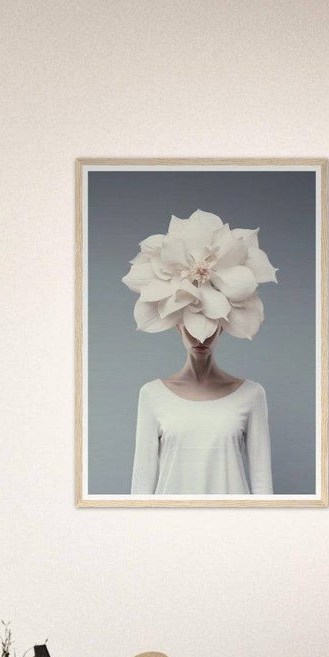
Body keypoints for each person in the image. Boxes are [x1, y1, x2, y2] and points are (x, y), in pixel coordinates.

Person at [121, 209, 276, 498]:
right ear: (176, 324)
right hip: (169, 531)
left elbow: (263, 488)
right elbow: (140, 489)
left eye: (210, 321)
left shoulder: (252, 395)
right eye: (191, 321)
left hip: (233, 532)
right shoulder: (152, 395)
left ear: (224, 324)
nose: (200, 334)